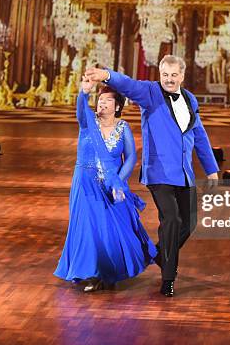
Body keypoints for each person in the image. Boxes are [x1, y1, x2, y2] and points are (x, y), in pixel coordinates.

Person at [85, 55, 219, 297]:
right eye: (165, 75)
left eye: (173, 75)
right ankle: (168, 278)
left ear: (182, 75)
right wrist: (106, 75)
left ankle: (157, 254)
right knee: (172, 220)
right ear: (160, 75)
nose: (169, 79)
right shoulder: (150, 92)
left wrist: (211, 168)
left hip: (184, 174)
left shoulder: (190, 99)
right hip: (159, 173)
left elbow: (199, 134)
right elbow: (128, 84)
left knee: (188, 223)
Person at [54, 78, 157, 292]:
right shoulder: (88, 122)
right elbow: (80, 110)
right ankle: (91, 273)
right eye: (99, 99)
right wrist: (83, 93)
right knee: (88, 227)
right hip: (85, 183)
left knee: (109, 229)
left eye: (107, 100)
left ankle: (109, 271)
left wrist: (118, 181)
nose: (101, 103)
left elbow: (130, 157)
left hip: (111, 185)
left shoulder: (123, 127)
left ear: (117, 106)